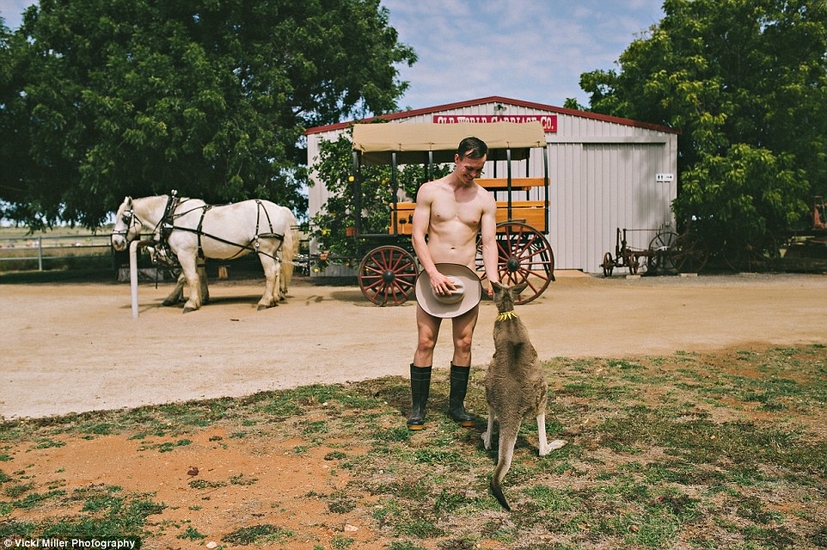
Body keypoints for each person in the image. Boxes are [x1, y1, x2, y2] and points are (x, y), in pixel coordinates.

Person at [407, 136, 500, 430]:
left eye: (478, 170)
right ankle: (418, 409)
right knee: (425, 341)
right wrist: (432, 273)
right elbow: (417, 236)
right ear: (456, 158)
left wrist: (492, 277)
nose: (473, 174)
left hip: (466, 281)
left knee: (465, 342)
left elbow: (489, 241)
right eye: (469, 168)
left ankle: (457, 407)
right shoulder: (430, 191)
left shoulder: (485, 199)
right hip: (433, 278)